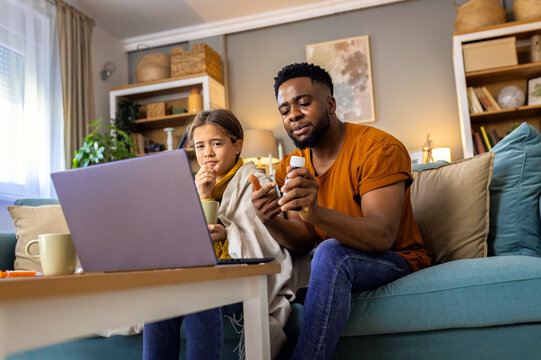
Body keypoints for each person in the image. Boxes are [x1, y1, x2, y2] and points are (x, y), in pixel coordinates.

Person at [251, 63, 432, 359]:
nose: (293, 114)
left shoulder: (378, 149)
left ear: (331, 104)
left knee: (331, 253)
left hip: (397, 258)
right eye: (284, 110)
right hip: (333, 261)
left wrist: (316, 212)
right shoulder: (291, 165)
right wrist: (270, 220)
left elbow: (382, 236)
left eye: (304, 103)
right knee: (321, 254)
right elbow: (304, 240)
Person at [143, 109, 307, 359]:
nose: (207, 153)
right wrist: (203, 197)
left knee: (200, 291)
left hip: (241, 281)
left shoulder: (257, 183)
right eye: (199, 146)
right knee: (161, 298)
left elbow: (265, 245)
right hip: (201, 275)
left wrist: (228, 235)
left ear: (237, 145)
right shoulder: (191, 189)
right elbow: (178, 244)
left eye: (216, 143)